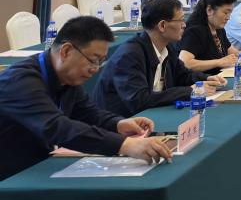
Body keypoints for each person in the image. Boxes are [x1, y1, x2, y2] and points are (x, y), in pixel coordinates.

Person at [0, 16, 173, 179]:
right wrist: (125, 145)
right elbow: (56, 127)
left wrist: (118, 124)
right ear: (66, 51)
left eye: (101, 61)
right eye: (93, 60)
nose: (95, 69)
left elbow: (88, 113)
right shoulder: (19, 80)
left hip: (34, 166)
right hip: (10, 175)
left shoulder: (66, 77)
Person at [92, 0, 225, 117]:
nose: (184, 24)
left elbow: (183, 75)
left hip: (150, 116)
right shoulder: (129, 55)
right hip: (121, 123)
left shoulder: (167, 46)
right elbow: (139, 100)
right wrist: (189, 91)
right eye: (180, 20)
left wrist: (206, 79)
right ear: (162, 25)